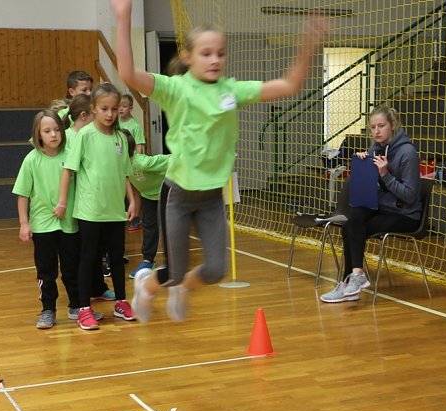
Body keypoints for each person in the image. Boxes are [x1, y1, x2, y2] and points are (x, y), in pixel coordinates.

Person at [112, 0, 327, 322]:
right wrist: (124, 15)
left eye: (220, 53)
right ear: (188, 57)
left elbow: (289, 85)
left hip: (212, 196)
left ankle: (183, 287)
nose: (215, 60)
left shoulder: (232, 90)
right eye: (206, 53)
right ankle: (147, 285)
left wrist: (310, 42)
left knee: (215, 270)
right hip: (179, 195)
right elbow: (127, 73)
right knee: (174, 271)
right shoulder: (175, 89)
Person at [56, 82, 140, 330]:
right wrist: (62, 201)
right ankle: (84, 309)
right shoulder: (85, 135)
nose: (110, 114)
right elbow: (68, 171)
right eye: (104, 108)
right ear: (93, 108)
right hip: (90, 211)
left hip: (115, 211)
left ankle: (122, 302)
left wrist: (133, 200)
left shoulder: (121, 139)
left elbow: (125, 174)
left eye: (114, 109)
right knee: (89, 258)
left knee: (116, 258)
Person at [319, 106, 422, 303]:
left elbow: (409, 196)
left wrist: (385, 174)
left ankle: (352, 281)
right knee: (352, 221)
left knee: (355, 226)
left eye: (381, 126)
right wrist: (362, 166)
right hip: (382, 207)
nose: (376, 131)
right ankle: (352, 280)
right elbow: (369, 186)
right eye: (372, 127)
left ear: (393, 126)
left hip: (406, 214)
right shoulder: (374, 148)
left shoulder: (407, 152)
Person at [13, 110, 101, 328]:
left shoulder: (70, 155)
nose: (53, 135)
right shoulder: (31, 160)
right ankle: (48, 310)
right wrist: (24, 223)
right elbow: (23, 194)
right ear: (38, 134)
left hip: (69, 223)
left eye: (56, 130)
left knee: (72, 268)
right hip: (43, 225)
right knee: (46, 270)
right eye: (47, 131)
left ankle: (76, 306)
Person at [65, 94, 117, 305]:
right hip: (75, 203)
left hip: (95, 203)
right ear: (86, 114)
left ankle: (97, 288)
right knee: (80, 252)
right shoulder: (69, 136)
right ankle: (79, 298)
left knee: (96, 250)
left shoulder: (97, 135)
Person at [118, 129, 171, 280]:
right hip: (149, 196)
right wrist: (134, 206)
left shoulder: (142, 162)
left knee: (169, 227)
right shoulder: (122, 166)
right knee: (149, 227)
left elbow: (168, 159)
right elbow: (135, 187)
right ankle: (148, 261)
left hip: (166, 192)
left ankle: (172, 263)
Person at [118, 93, 147, 233]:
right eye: (119, 106)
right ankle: (126, 215)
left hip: (132, 162)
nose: (121, 109)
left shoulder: (135, 125)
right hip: (120, 162)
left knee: (135, 190)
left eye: (124, 106)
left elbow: (140, 146)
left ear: (131, 108)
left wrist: (139, 164)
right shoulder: (116, 124)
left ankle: (135, 218)